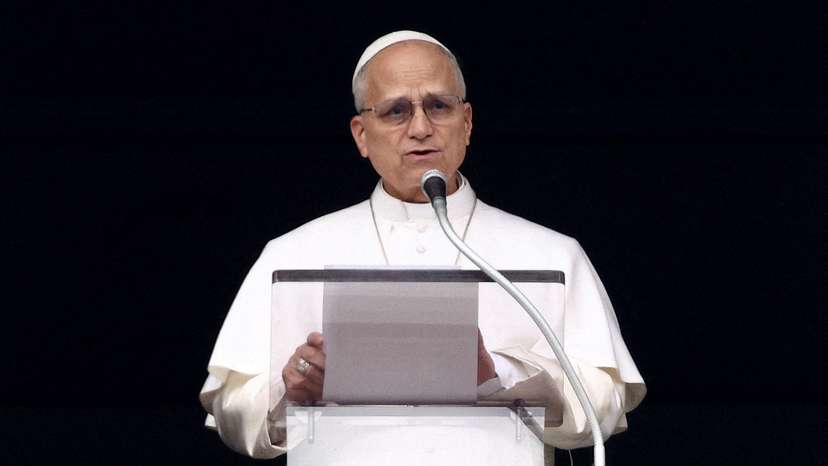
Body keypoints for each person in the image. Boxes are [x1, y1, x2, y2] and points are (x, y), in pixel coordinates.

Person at [199, 30, 646, 459]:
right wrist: (291, 390)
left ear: (466, 123)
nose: (420, 127)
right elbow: (233, 413)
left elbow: (605, 405)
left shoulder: (552, 254)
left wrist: (498, 378)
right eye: (396, 111)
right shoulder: (293, 254)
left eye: (438, 106)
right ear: (361, 134)